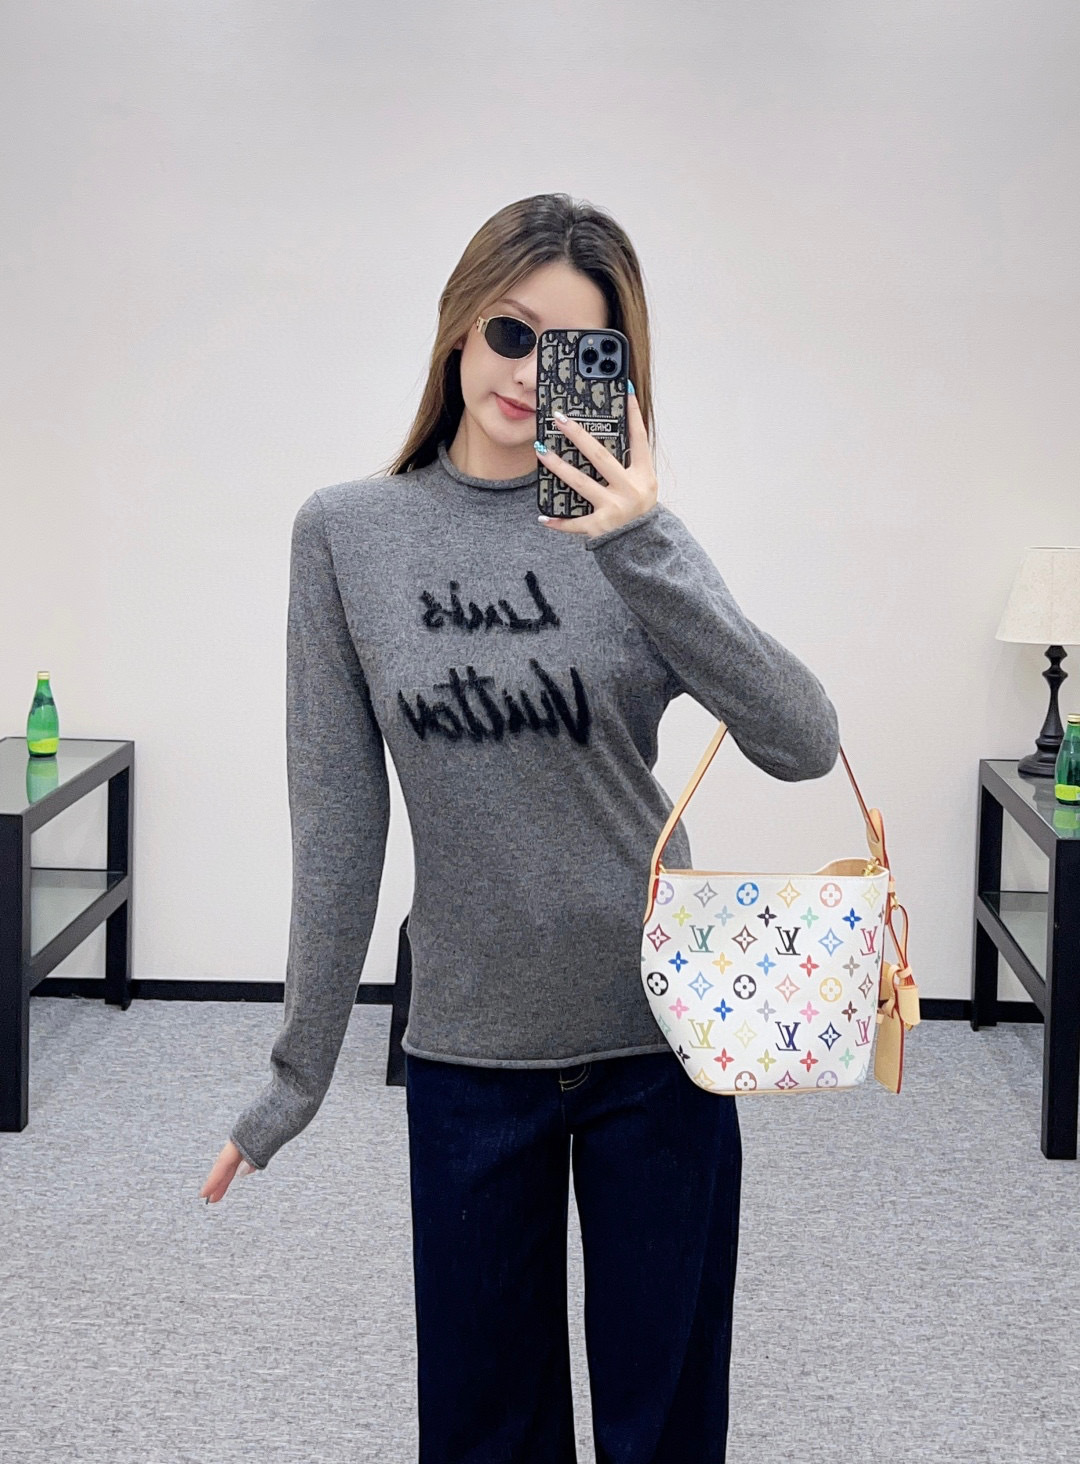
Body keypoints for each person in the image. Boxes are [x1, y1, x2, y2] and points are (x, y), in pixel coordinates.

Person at [200, 192, 840, 1463]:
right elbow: (337, 820)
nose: (527, 373)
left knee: (666, 1424)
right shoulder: (347, 535)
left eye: (573, 351)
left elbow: (803, 736)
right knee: (485, 1430)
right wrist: (293, 1078)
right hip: (468, 1051)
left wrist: (639, 538)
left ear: (615, 371)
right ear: (457, 325)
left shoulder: (634, 537)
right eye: (509, 331)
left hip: (661, 1037)